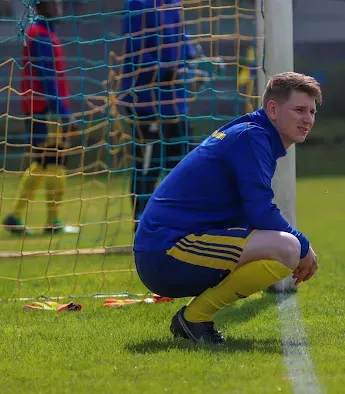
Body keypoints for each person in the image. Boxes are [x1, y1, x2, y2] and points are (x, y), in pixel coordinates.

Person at [133, 72, 321, 344]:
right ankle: (194, 319)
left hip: (169, 249)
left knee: (282, 245)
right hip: (166, 252)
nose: (307, 119)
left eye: (312, 112)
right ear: (272, 109)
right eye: (299, 110)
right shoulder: (252, 137)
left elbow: (251, 214)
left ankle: (193, 319)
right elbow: (260, 212)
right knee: (289, 248)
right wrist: (305, 247)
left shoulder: (252, 134)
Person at [120, 0, 199, 231]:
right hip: (146, 101)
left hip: (175, 103)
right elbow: (136, 52)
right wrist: (166, 69)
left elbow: (183, 40)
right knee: (148, 164)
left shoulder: (174, 2)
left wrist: (192, 60)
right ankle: (141, 222)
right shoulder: (138, 4)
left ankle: (182, 221)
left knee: (184, 163)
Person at [3, 0, 78, 235]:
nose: (59, 7)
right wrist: (65, 113)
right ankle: (50, 221)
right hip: (46, 109)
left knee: (43, 162)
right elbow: (48, 77)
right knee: (53, 162)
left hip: (41, 107)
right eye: (54, 3)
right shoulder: (40, 34)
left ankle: (17, 217)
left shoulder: (42, 31)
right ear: (40, 6)